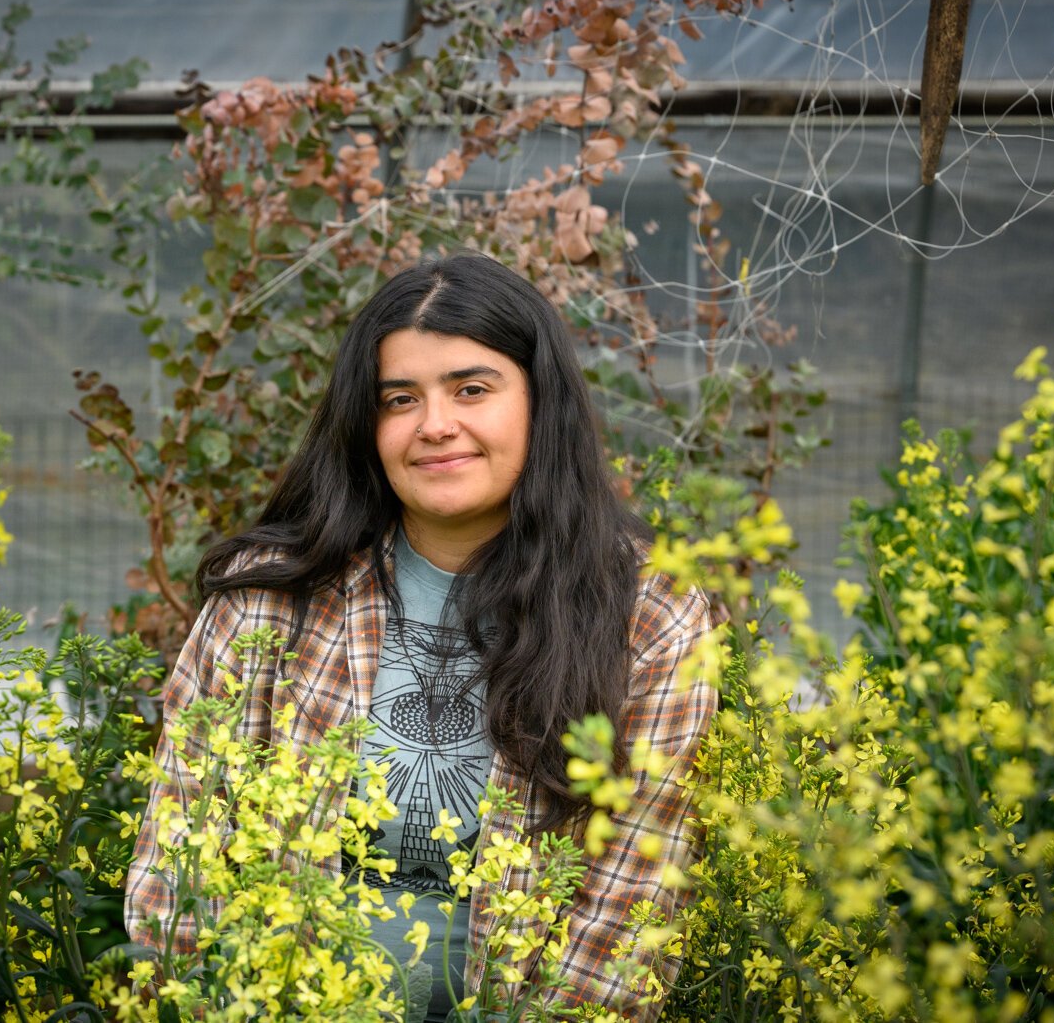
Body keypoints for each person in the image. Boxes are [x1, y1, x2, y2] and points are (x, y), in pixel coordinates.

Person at [126, 252, 714, 1022]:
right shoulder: (271, 594)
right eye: (399, 399)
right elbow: (176, 868)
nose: (435, 424)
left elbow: (625, 926)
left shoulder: (650, 614)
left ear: (542, 401)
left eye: (472, 389)